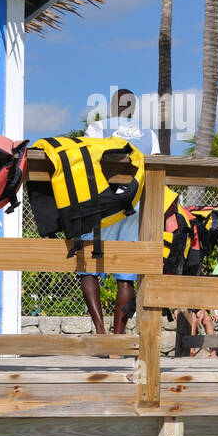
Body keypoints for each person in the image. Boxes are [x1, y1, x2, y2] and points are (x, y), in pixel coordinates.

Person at [79, 88, 159, 336]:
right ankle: (118, 340)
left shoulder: (99, 128)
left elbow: (83, 161)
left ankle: (101, 333)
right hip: (133, 207)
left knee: (88, 267)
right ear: (133, 110)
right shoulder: (149, 134)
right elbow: (156, 168)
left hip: (100, 204)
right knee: (126, 275)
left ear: (113, 107)